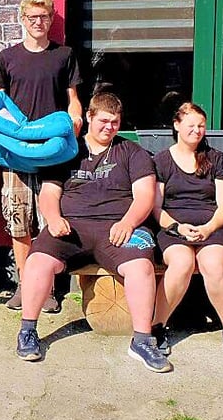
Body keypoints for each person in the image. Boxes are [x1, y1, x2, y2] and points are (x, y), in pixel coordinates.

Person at [15, 93, 171, 372]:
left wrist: (128, 222)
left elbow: (145, 196)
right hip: (71, 227)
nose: (109, 127)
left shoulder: (132, 152)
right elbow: (49, 194)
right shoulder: (66, 150)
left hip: (118, 228)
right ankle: (27, 331)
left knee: (141, 268)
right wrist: (53, 218)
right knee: (37, 262)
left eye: (115, 122)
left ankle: (142, 341)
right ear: (89, 117)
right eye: (103, 121)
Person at [0, 0, 83, 312]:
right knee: (19, 221)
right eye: (32, 17)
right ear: (22, 19)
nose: (38, 22)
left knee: (48, 222)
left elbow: (73, 99)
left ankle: (48, 289)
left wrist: (76, 118)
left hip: (53, 153)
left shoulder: (64, 55)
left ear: (51, 18)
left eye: (43, 17)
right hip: (15, 154)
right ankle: (24, 284)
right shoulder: (8, 57)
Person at [151, 103, 223, 358]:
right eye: (191, 125)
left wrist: (209, 227)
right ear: (176, 125)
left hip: (213, 226)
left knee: (213, 264)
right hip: (173, 228)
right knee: (181, 263)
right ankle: (157, 326)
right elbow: (156, 207)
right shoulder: (161, 161)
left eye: (201, 125)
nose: (197, 130)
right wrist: (177, 227)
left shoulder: (216, 159)